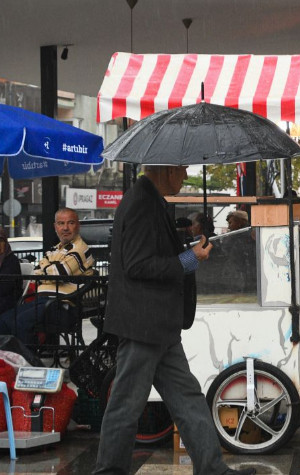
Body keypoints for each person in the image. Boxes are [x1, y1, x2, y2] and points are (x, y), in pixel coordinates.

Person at [95, 165, 254, 475]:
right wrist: (190, 258)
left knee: (188, 399)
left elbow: (149, 254)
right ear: (166, 170)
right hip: (144, 324)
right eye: (181, 170)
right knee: (126, 405)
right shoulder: (141, 202)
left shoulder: (150, 200)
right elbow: (138, 265)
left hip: (158, 325)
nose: (184, 176)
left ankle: (212, 468)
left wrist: (186, 245)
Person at [0, 208, 96, 344]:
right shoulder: (56, 249)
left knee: (20, 322)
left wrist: (46, 269)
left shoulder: (80, 248)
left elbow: (58, 274)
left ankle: (29, 361)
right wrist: (48, 269)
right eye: (61, 223)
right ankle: (11, 360)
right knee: (3, 319)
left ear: (78, 225)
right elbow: (36, 272)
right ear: (55, 227)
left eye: (70, 223)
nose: (65, 228)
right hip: (45, 302)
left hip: (63, 305)